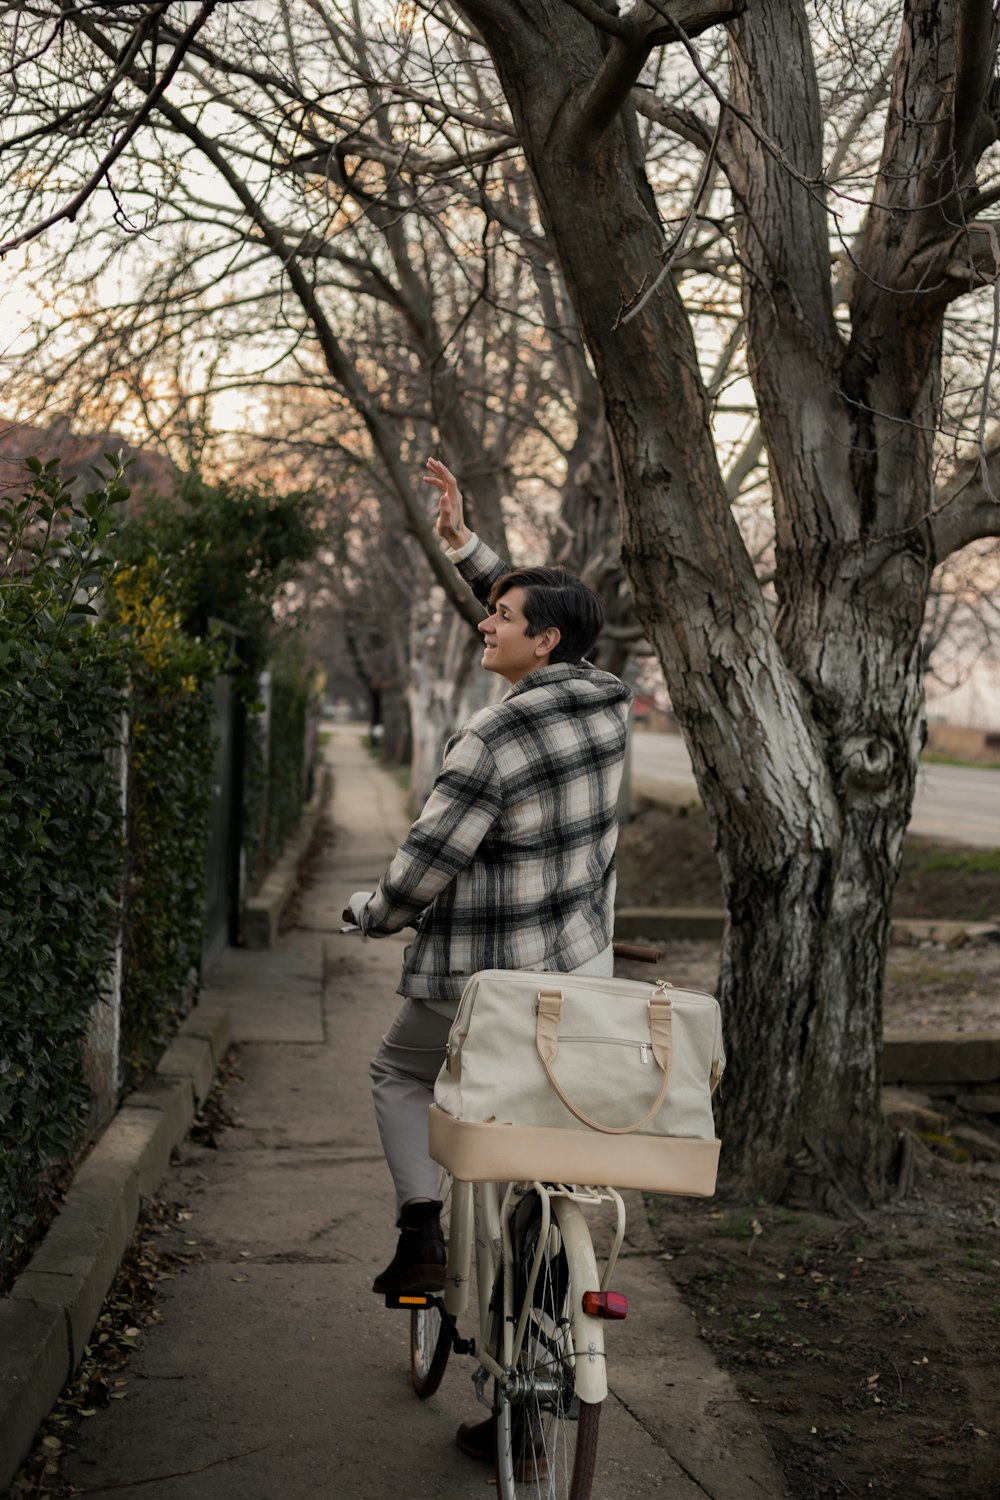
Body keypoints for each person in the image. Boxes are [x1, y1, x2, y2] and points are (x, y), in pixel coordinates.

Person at [343, 458, 630, 1461]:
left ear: (538, 642)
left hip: (476, 989)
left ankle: (421, 1227)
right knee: (538, 1165)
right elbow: (549, 607)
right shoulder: (601, 702)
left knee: (396, 1071)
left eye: (499, 617)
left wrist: (370, 913)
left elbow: (421, 871)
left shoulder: (488, 739)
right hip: (574, 981)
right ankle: (531, 1358)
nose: (485, 621)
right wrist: (468, 546)